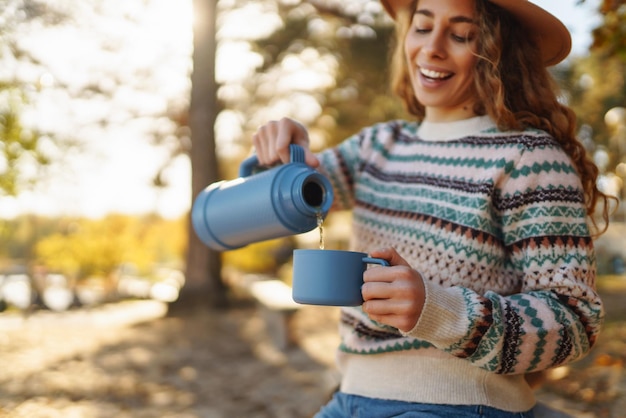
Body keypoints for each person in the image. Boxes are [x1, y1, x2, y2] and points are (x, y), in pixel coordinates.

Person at [252, 0, 612, 416]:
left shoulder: (529, 158)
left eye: (461, 35)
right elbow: (283, 202)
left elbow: (576, 319)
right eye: (422, 28)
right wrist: (282, 156)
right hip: (350, 399)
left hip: (458, 404)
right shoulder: (376, 147)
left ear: (501, 54)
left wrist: (438, 311)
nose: (433, 48)